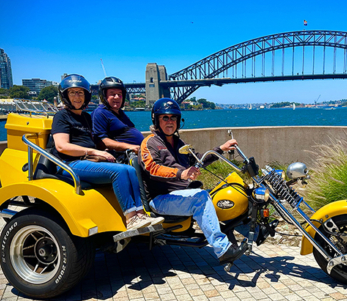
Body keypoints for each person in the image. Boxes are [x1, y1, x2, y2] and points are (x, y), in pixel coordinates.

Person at [140, 98, 248, 265]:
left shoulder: (178, 143)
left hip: (179, 194)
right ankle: (223, 249)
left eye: (173, 118)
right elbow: (151, 168)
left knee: (223, 191)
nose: (170, 122)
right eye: (165, 118)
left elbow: (199, 160)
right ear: (156, 120)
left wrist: (221, 149)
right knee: (200, 197)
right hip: (160, 198)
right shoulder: (150, 142)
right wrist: (181, 174)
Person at [51, 74, 163, 231]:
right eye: (73, 93)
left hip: (87, 161)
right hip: (70, 164)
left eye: (80, 93)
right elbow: (62, 146)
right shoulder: (61, 116)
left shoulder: (85, 118)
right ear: (65, 96)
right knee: (119, 172)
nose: (77, 97)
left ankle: (140, 214)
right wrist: (96, 152)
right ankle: (131, 219)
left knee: (130, 169)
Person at [92, 77, 144, 154]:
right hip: (126, 156)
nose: (117, 97)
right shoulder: (100, 113)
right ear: (104, 96)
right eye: (112, 94)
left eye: (119, 94)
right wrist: (130, 147)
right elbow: (101, 141)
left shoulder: (120, 112)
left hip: (141, 152)